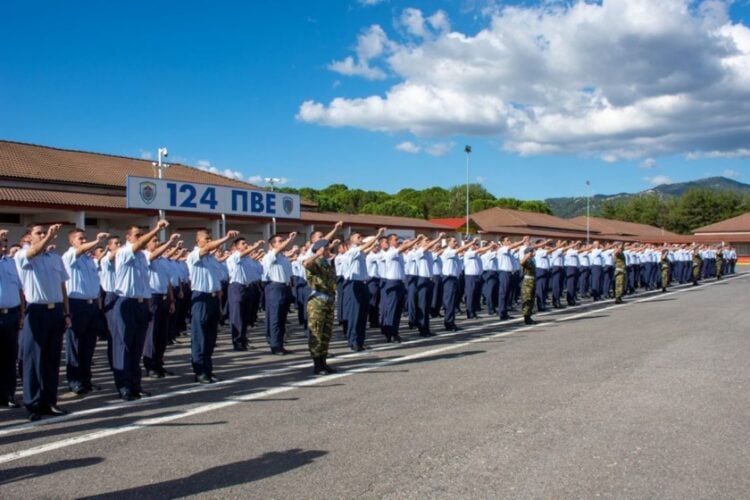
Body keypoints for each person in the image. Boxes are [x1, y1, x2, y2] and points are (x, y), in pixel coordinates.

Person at [15, 224, 71, 420]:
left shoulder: (55, 258)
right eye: (38, 233)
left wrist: (66, 312)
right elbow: (34, 251)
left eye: (44, 232)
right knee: (33, 359)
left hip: (55, 310)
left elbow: (62, 286)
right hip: (36, 310)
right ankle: (33, 404)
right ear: (29, 237)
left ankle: (49, 401)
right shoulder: (23, 255)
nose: (43, 235)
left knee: (51, 359)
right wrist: (48, 237)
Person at [112, 220, 168, 401]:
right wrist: (157, 229)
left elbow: (152, 252)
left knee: (137, 348)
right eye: (137, 235)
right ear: (128, 238)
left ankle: (135, 385)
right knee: (124, 347)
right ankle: (124, 386)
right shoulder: (123, 252)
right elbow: (140, 245)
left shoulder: (143, 256)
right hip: (126, 302)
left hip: (142, 303)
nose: (141, 238)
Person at [62, 228, 109, 395]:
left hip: (90, 305)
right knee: (74, 345)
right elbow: (80, 250)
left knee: (88, 346)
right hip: (76, 304)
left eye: (84, 238)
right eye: (80, 239)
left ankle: (86, 379)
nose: (83, 241)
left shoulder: (89, 260)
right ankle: (75, 381)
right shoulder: (69, 256)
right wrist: (97, 241)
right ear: (72, 242)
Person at [188, 228, 239, 383]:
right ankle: (199, 371)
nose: (209, 241)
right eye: (206, 238)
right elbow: (208, 248)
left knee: (210, 337)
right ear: (198, 242)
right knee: (200, 336)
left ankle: (208, 369)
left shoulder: (211, 259)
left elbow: (216, 279)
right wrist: (226, 238)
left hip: (212, 298)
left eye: (210, 238)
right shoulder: (194, 255)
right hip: (201, 297)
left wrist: (217, 295)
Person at [142, 233, 181, 378]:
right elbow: (151, 257)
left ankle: (159, 363)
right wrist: (170, 242)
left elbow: (168, 282)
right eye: (154, 241)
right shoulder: (145, 256)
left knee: (161, 334)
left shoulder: (163, 260)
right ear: (146, 244)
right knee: (151, 334)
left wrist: (171, 300)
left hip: (164, 297)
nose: (157, 243)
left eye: (158, 240)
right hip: (152, 297)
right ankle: (150, 365)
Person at [342, 228, 385, 351]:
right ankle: (353, 340)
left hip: (363, 284)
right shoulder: (351, 251)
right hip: (353, 284)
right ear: (351, 241)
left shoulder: (359, 252)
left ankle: (360, 341)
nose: (360, 238)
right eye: (358, 237)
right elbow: (364, 247)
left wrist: (375, 242)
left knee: (362, 314)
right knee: (355, 314)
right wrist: (377, 236)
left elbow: (366, 249)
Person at [303, 239, 338, 375]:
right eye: (326, 249)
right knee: (316, 332)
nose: (328, 251)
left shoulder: (326, 264)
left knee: (326, 333)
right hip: (317, 301)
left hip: (328, 300)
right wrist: (318, 254)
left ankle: (323, 362)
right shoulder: (315, 262)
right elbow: (306, 264)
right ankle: (317, 365)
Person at [262, 232, 297, 355]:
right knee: (275, 318)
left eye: (283, 240)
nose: (283, 243)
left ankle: (280, 343)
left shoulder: (283, 258)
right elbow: (279, 249)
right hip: (275, 287)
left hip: (285, 287)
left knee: (282, 318)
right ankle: (275, 345)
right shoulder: (271, 255)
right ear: (272, 245)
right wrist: (290, 239)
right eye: (279, 241)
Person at [226, 237, 264, 351]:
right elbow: (243, 255)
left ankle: (243, 339)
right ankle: (237, 342)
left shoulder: (248, 259)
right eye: (243, 243)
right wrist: (255, 246)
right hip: (237, 287)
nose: (246, 245)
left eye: (246, 243)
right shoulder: (234, 257)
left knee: (245, 316)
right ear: (236, 247)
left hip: (247, 288)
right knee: (237, 316)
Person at [0, 229, 23, 408]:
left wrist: (21, 313)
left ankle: (8, 395)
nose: (4, 243)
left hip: (12, 314)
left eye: (5, 241)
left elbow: (19, 290)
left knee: (9, 357)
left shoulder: (11, 263)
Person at [520, 246, 536, 325]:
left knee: (532, 300)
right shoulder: (526, 260)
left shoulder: (531, 260)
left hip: (532, 280)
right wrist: (526, 256)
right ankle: (526, 317)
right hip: (527, 282)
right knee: (527, 299)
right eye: (532, 252)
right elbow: (521, 262)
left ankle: (529, 316)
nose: (534, 253)